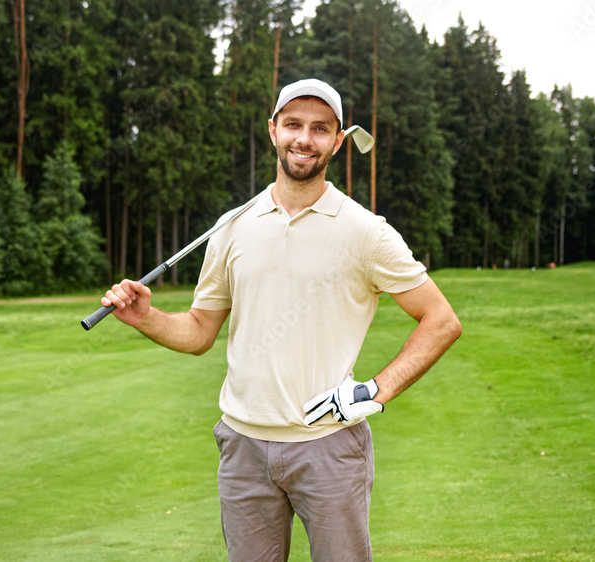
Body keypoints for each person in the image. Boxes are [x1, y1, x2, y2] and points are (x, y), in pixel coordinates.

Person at [100, 78, 462, 562]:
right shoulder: (231, 227)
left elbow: (440, 320)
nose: (304, 139)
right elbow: (199, 332)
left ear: (338, 140)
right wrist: (146, 318)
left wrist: (375, 391)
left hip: (329, 445)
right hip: (243, 447)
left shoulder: (366, 232)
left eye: (319, 128)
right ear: (273, 131)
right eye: (293, 125)